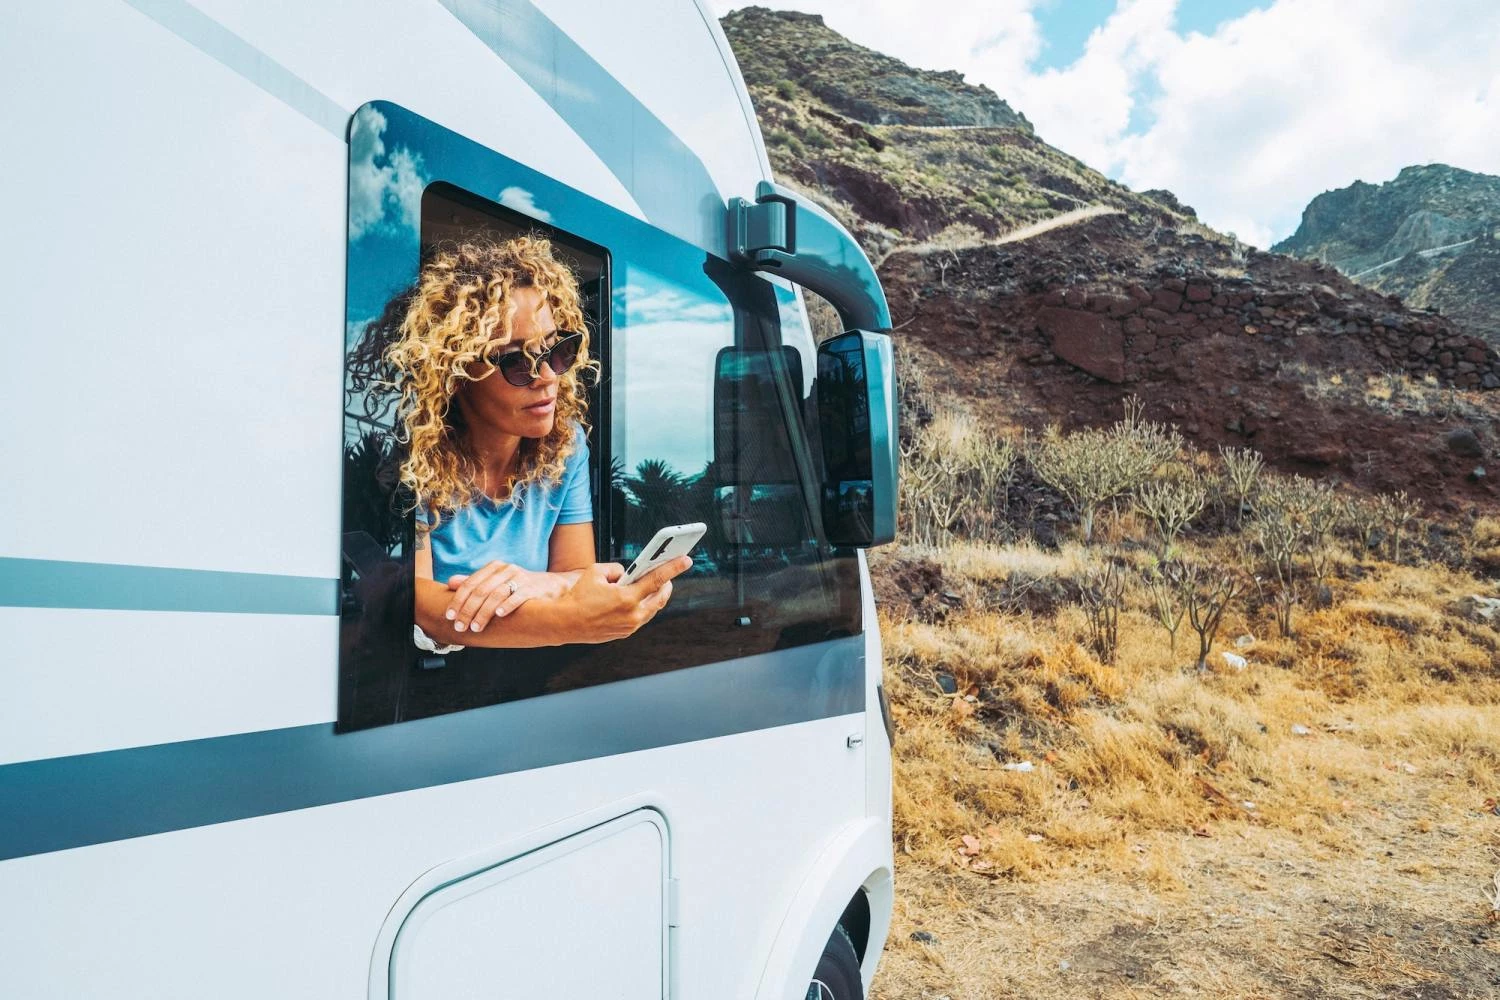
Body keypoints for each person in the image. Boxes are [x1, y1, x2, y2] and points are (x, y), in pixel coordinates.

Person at [381, 237, 689, 649]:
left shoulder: (567, 444)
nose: (548, 377)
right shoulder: (414, 454)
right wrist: (570, 619)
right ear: (455, 373)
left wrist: (532, 583)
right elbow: (418, 603)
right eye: (516, 361)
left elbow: (577, 577)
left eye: (557, 351)